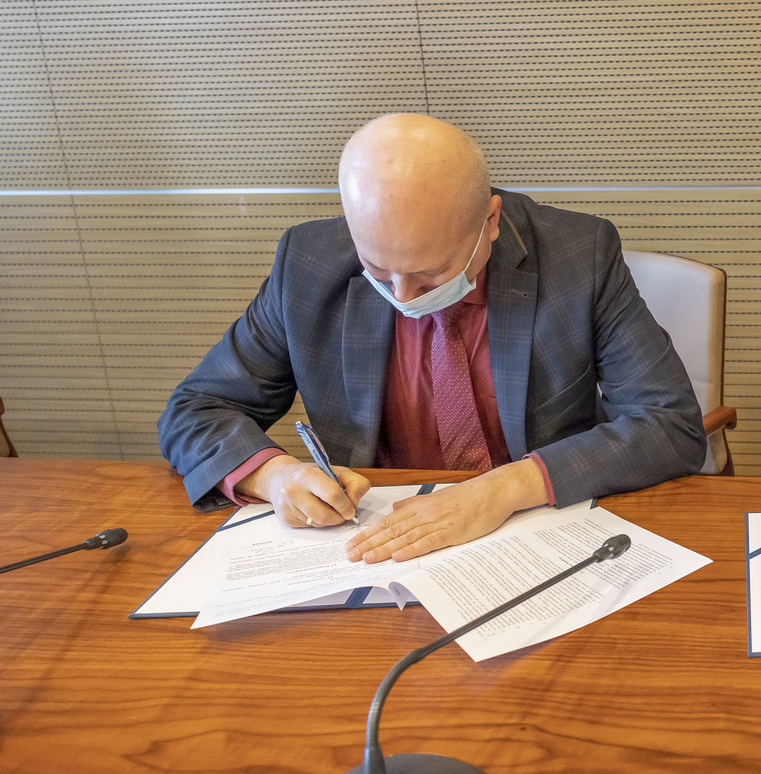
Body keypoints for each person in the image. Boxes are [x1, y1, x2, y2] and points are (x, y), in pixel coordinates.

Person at [159, 113, 705, 563]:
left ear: (490, 221)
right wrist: (274, 476)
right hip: (376, 539)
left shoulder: (578, 256)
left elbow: (668, 423)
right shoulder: (308, 264)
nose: (402, 295)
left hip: (535, 533)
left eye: (431, 274)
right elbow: (196, 408)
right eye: (378, 270)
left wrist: (504, 489)